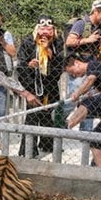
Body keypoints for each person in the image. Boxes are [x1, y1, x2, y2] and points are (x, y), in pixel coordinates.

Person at [16, 18, 64, 156]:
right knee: (32, 116)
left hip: (50, 85)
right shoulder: (28, 42)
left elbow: (60, 66)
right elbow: (20, 66)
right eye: (42, 29)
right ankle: (28, 150)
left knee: (49, 114)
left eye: (49, 30)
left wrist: (51, 54)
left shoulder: (57, 43)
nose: (45, 33)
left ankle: (47, 143)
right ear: (37, 29)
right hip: (33, 85)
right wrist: (29, 66)